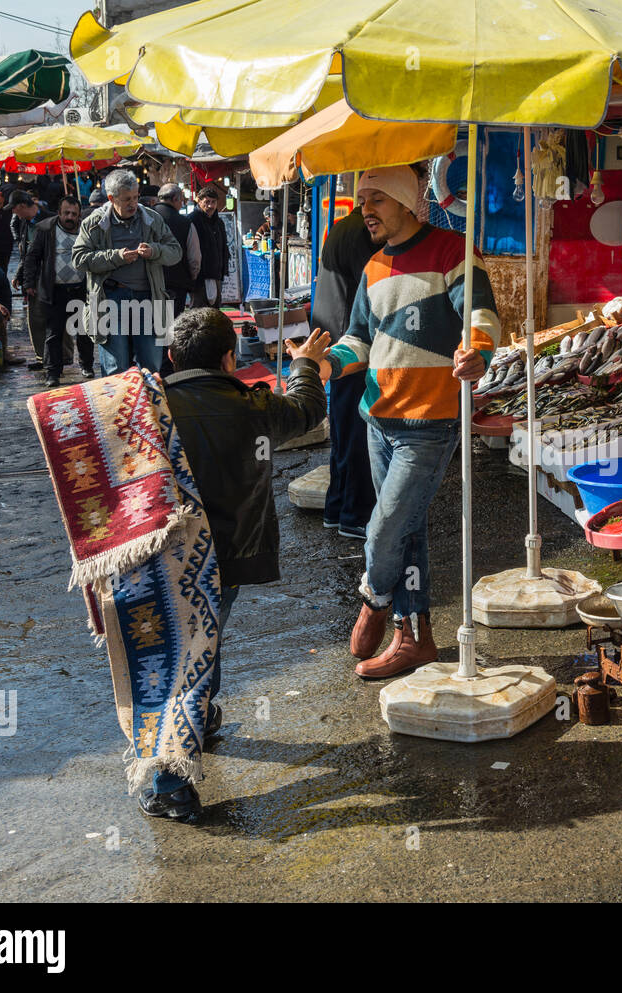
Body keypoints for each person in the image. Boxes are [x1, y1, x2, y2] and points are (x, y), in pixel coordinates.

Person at [318, 165, 498, 679]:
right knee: (407, 530)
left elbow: (480, 314)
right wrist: (326, 363)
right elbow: (359, 338)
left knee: (382, 531)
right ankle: (414, 637)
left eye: (376, 198)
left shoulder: (453, 250)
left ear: (405, 201)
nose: (365, 210)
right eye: (362, 200)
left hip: (430, 421)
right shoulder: (373, 265)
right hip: (377, 419)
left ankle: (374, 597)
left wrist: (478, 350)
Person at [152, 310, 330, 820]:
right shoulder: (252, 405)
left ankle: (200, 722)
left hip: (157, 558)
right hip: (226, 557)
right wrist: (306, 365)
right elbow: (306, 410)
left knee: (189, 651)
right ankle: (170, 784)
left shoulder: (147, 405)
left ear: (171, 357)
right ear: (231, 358)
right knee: (191, 658)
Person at [72, 168, 182, 375]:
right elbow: (79, 259)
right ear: (112, 198)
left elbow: (175, 252)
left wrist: (155, 251)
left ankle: (149, 407)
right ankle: (119, 408)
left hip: (149, 299)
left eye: (135, 197)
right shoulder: (94, 224)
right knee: (116, 369)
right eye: (126, 199)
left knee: (151, 367)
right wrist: (115, 257)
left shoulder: (152, 219)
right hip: (110, 300)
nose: (133, 203)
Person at [312, 204, 377, 540]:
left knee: (343, 433)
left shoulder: (341, 227)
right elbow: (375, 290)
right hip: (347, 345)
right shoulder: (362, 234)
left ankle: (336, 509)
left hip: (334, 339)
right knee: (355, 435)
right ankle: (354, 515)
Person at [22, 195, 95, 386]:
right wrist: (29, 283)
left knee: (84, 331)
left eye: (74, 214)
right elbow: (32, 257)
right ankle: (53, 372)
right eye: (66, 213)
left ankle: (86, 365)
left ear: (79, 215)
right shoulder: (45, 229)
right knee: (54, 333)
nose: (70, 217)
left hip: (81, 289)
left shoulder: (86, 230)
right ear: (59, 213)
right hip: (54, 290)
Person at [10, 191, 55, 368]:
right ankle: (41, 358)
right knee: (35, 319)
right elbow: (26, 254)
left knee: (54, 320)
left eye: (14, 209)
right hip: (33, 277)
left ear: (22, 206)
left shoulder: (50, 220)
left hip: (49, 276)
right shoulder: (24, 223)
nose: (14, 214)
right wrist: (20, 275)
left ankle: (59, 357)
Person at [152, 182, 196, 321]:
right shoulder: (185, 222)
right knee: (174, 325)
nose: (182, 204)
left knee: (154, 325)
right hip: (177, 281)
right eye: (181, 200)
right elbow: (194, 256)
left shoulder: (145, 217)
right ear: (176, 199)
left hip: (150, 281)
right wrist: (192, 275)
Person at [188, 184, 229, 308]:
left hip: (216, 273)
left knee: (214, 310)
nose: (210, 206)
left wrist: (223, 269)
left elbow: (223, 247)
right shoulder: (192, 220)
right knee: (198, 311)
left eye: (213, 202)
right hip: (199, 275)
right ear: (199, 201)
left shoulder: (219, 222)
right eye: (207, 202)